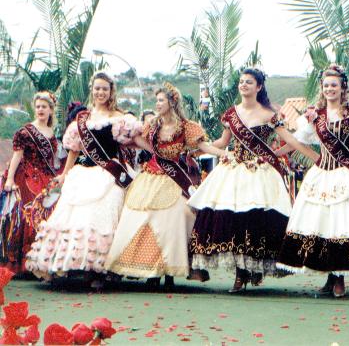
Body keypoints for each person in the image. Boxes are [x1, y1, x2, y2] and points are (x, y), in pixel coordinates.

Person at [187, 68, 318, 292]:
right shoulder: (231, 114)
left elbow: (290, 140)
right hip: (234, 169)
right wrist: (196, 148)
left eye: (249, 82)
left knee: (256, 219)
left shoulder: (269, 114)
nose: (244, 85)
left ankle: (252, 269)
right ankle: (240, 273)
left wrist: (316, 157)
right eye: (241, 81)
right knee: (232, 218)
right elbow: (221, 142)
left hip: (260, 170)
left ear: (259, 87)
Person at [25, 72, 141, 289]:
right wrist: (64, 174)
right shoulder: (82, 118)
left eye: (105, 89)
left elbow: (134, 142)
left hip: (109, 174)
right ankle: (73, 266)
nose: (100, 92)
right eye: (97, 88)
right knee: (76, 220)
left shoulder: (120, 117)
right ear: (92, 90)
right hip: (84, 173)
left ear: (111, 91)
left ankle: (103, 271)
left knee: (103, 221)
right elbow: (73, 150)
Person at [105, 83, 227, 290]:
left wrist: (225, 154)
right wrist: (129, 138)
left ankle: (169, 271)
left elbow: (203, 146)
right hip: (150, 176)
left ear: (172, 102)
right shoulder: (152, 124)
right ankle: (150, 271)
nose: (158, 104)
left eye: (161, 100)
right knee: (138, 217)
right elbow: (141, 142)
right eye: (157, 100)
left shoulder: (186, 126)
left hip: (173, 179)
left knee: (178, 217)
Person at [276, 64, 349, 298]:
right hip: (322, 173)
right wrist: (275, 153)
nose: (329, 89)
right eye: (326, 85)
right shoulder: (314, 116)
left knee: (342, 224)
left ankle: (340, 278)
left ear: (343, 87)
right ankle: (329, 274)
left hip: (347, 173)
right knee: (322, 225)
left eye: (334, 84)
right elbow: (297, 141)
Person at [0, 92, 61, 275]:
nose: (40, 110)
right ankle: (26, 262)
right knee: (30, 213)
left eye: (44, 107)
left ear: (51, 110)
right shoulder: (25, 132)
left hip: (47, 178)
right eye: (38, 107)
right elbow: (17, 156)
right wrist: (10, 179)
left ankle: (44, 260)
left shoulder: (52, 133)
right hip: (27, 177)